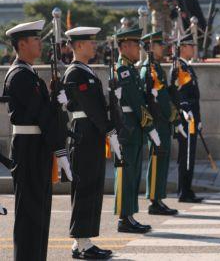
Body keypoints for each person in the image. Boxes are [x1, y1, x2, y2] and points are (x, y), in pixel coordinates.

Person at [2, 20, 71, 261]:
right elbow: (39, 114)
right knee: (30, 216)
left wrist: (54, 99)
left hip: (36, 148)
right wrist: (60, 149)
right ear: (22, 44)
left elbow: (42, 111)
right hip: (29, 149)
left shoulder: (29, 74)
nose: (40, 44)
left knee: (40, 213)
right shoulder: (20, 76)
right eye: (35, 40)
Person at [62, 27, 121, 259]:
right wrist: (109, 130)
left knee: (93, 185)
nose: (94, 45)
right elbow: (92, 108)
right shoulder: (75, 73)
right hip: (84, 133)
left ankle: (82, 241)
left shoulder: (86, 71)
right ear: (77, 46)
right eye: (89, 42)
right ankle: (82, 242)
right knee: (85, 186)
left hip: (91, 133)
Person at [114, 27, 162, 233]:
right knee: (126, 174)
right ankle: (124, 218)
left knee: (133, 174)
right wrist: (150, 126)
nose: (138, 50)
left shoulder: (130, 68)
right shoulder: (122, 70)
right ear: (125, 46)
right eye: (135, 45)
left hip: (133, 127)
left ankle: (130, 216)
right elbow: (134, 101)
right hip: (128, 127)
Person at [140, 31, 179, 216]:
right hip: (156, 121)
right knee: (157, 160)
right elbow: (156, 98)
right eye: (159, 44)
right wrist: (173, 116)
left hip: (163, 121)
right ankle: (154, 200)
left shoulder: (156, 66)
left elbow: (165, 94)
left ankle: (159, 198)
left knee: (162, 160)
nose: (162, 47)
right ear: (150, 47)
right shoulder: (148, 68)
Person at [169, 34, 203, 203]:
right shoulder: (178, 66)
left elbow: (194, 96)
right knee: (186, 156)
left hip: (192, 118)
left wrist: (199, 118)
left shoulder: (186, 66)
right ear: (182, 47)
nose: (193, 48)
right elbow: (179, 94)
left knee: (189, 155)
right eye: (191, 46)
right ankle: (184, 191)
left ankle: (186, 189)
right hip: (185, 119)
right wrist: (186, 111)